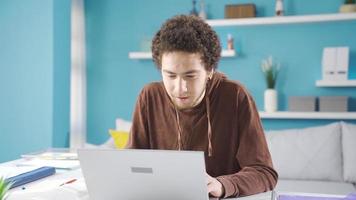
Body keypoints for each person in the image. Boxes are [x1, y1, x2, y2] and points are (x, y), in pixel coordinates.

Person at [126, 15, 278, 198]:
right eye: (170, 76)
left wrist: (221, 185)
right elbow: (130, 166)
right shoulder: (149, 97)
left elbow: (264, 173)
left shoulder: (236, 96)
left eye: (190, 76)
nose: (180, 88)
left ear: (209, 70)